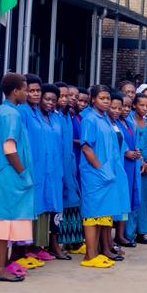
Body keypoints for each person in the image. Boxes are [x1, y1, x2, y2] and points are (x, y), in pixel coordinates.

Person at [0, 73, 34, 281]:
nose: (27, 93)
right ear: (15, 91)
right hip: (8, 174)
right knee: (3, 223)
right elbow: (10, 148)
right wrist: (23, 172)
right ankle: (0, 269)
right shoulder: (12, 114)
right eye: (25, 90)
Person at [78, 85, 125, 269]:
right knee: (92, 213)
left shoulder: (104, 117)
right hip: (95, 174)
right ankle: (89, 256)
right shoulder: (90, 119)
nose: (106, 101)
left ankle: (96, 252)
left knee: (101, 213)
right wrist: (100, 168)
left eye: (107, 98)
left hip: (107, 174)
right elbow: (86, 147)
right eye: (102, 98)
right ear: (93, 99)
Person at [26, 81, 66, 262]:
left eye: (53, 100)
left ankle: (49, 245)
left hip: (55, 169)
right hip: (38, 168)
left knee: (54, 208)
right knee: (37, 207)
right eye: (47, 99)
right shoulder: (33, 116)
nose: (50, 103)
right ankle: (32, 247)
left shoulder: (56, 118)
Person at [55, 83, 84, 253]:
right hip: (59, 166)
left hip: (70, 165)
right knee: (62, 202)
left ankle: (72, 241)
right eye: (63, 96)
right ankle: (58, 244)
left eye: (70, 96)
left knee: (73, 200)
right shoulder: (54, 116)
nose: (67, 99)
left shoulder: (68, 116)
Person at [128, 92, 147, 244]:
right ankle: (129, 232)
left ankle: (143, 231)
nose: (145, 108)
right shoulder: (129, 121)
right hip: (135, 166)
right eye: (142, 105)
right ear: (134, 105)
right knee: (135, 198)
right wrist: (141, 163)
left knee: (146, 199)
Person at [112, 96, 140, 249]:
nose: (126, 109)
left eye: (129, 107)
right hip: (121, 164)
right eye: (124, 106)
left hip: (130, 166)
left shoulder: (129, 123)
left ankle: (121, 234)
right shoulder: (113, 123)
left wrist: (136, 151)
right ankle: (112, 236)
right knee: (117, 198)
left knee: (126, 198)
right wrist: (126, 153)